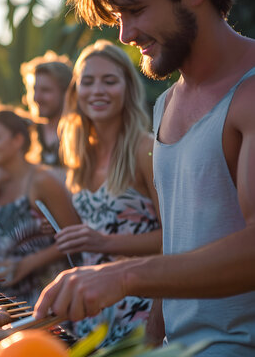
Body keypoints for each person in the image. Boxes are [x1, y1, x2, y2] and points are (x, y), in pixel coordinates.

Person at [35, 0, 255, 355]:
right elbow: (178, 241)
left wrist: (123, 275)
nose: (125, 34)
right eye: (120, 16)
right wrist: (153, 335)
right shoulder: (165, 104)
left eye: (135, 11)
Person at [50, 40, 161, 345]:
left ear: (128, 89)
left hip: (140, 312)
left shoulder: (145, 149)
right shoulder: (79, 154)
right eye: (87, 82)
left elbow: (175, 238)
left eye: (109, 81)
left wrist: (103, 240)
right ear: (76, 92)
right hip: (90, 314)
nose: (97, 90)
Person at [0, 105, 79, 306]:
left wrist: (28, 263)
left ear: (17, 140)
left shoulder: (41, 181)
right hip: (6, 303)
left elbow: (75, 239)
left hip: (44, 299)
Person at [20, 52, 73, 177]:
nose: (36, 97)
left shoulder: (81, 134)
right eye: (33, 89)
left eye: (45, 90)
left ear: (66, 93)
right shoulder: (24, 133)